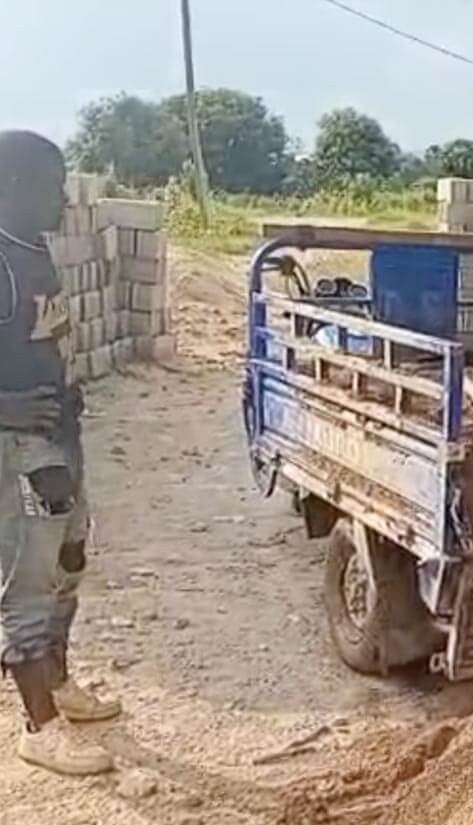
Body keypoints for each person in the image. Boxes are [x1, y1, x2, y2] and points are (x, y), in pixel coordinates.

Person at [0, 130, 119, 776]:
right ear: (12, 187)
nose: (64, 200)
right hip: (17, 449)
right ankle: (37, 726)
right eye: (53, 185)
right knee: (28, 581)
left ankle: (61, 684)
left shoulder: (33, 251)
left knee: (71, 559)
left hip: (58, 438)